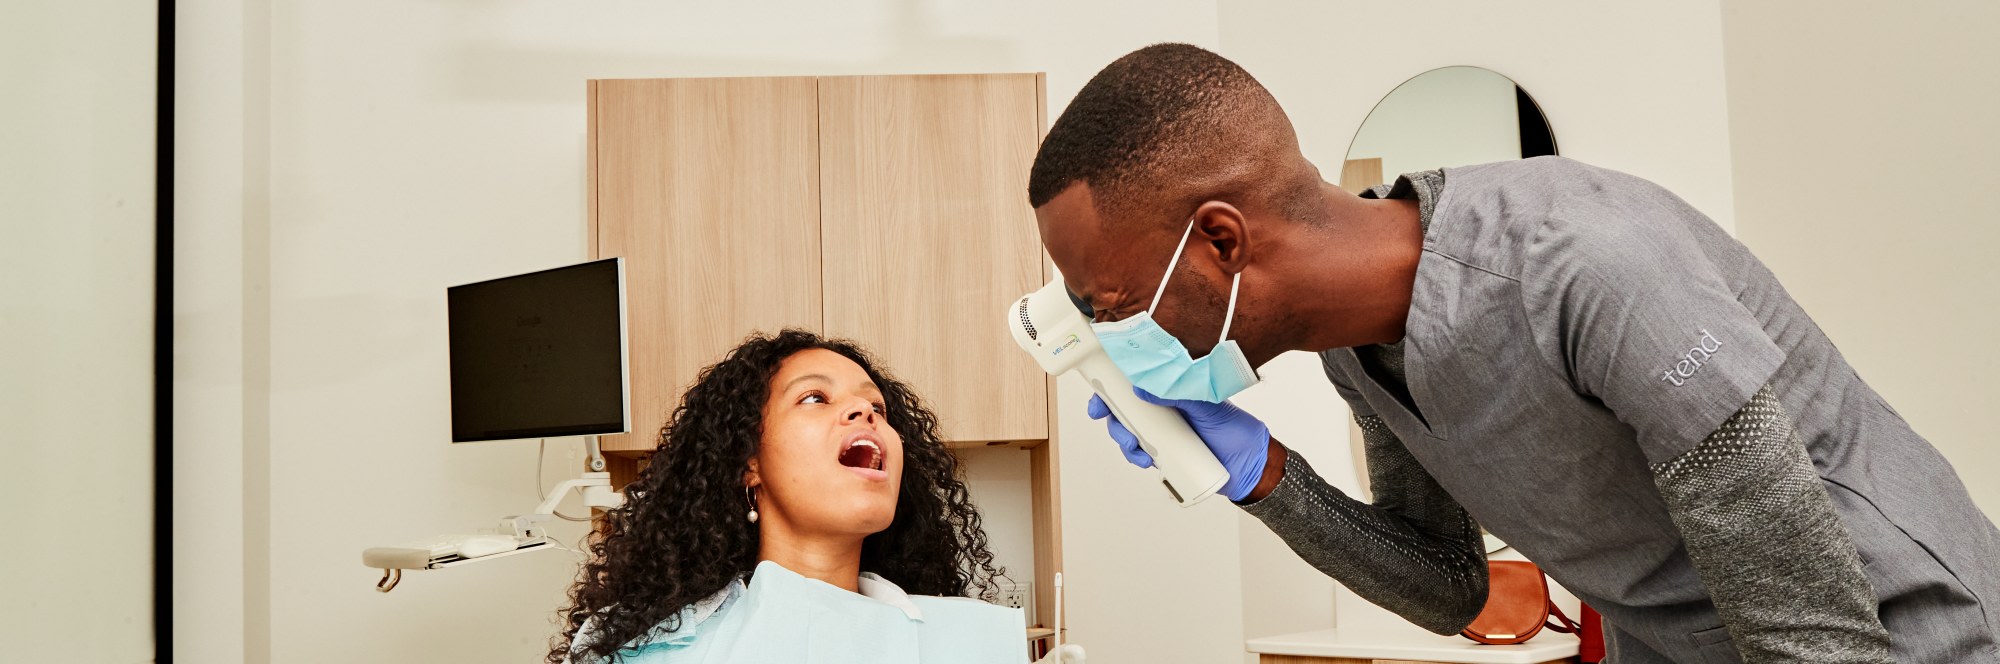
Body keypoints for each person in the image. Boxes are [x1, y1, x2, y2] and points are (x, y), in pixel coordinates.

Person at [1029, 43, 2000, 663]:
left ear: (1221, 239)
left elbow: (1813, 630)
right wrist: (1265, 479)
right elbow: (1449, 585)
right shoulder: (1353, 349)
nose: (1118, 339)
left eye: (1116, 305)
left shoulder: (1588, 263)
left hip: (1902, 634)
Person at [547, 329, 1024, 664]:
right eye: (815, 398)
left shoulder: (976, 639)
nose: (863, 410)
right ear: (748, 463)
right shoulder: (635, 647)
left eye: (877, 406)